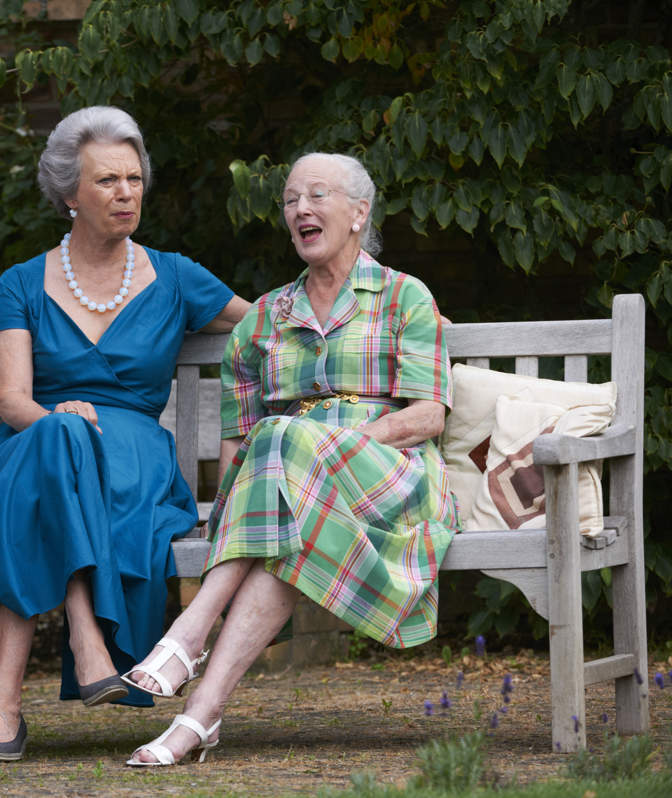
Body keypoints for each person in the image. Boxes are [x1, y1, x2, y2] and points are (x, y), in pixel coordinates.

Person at [0, 106, 250, 763]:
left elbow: (274, 322)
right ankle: (85, 637)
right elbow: (13, 403)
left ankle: (3, 703)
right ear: (69, 195)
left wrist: (380, 300)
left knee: (56, 462)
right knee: (59, 438)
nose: (125, 193)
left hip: (129, 460)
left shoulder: (177, 275)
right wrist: (21, 381)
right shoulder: (22, 283)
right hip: (32, 441)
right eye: (106, 182)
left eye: (133, 179)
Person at [122, 152, 460, 766]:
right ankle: (199, 717)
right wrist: (227, 511)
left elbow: (427, 416)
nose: (300, 209)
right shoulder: (264, 319)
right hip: (287, 494)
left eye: (317, 195)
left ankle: (185, 637)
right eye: (290, 200)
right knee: (283, 485)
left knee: (285, 436)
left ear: (359, 213)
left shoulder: (405, 297)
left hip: (389, 477)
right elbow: (237, 439)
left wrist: (335, 445)